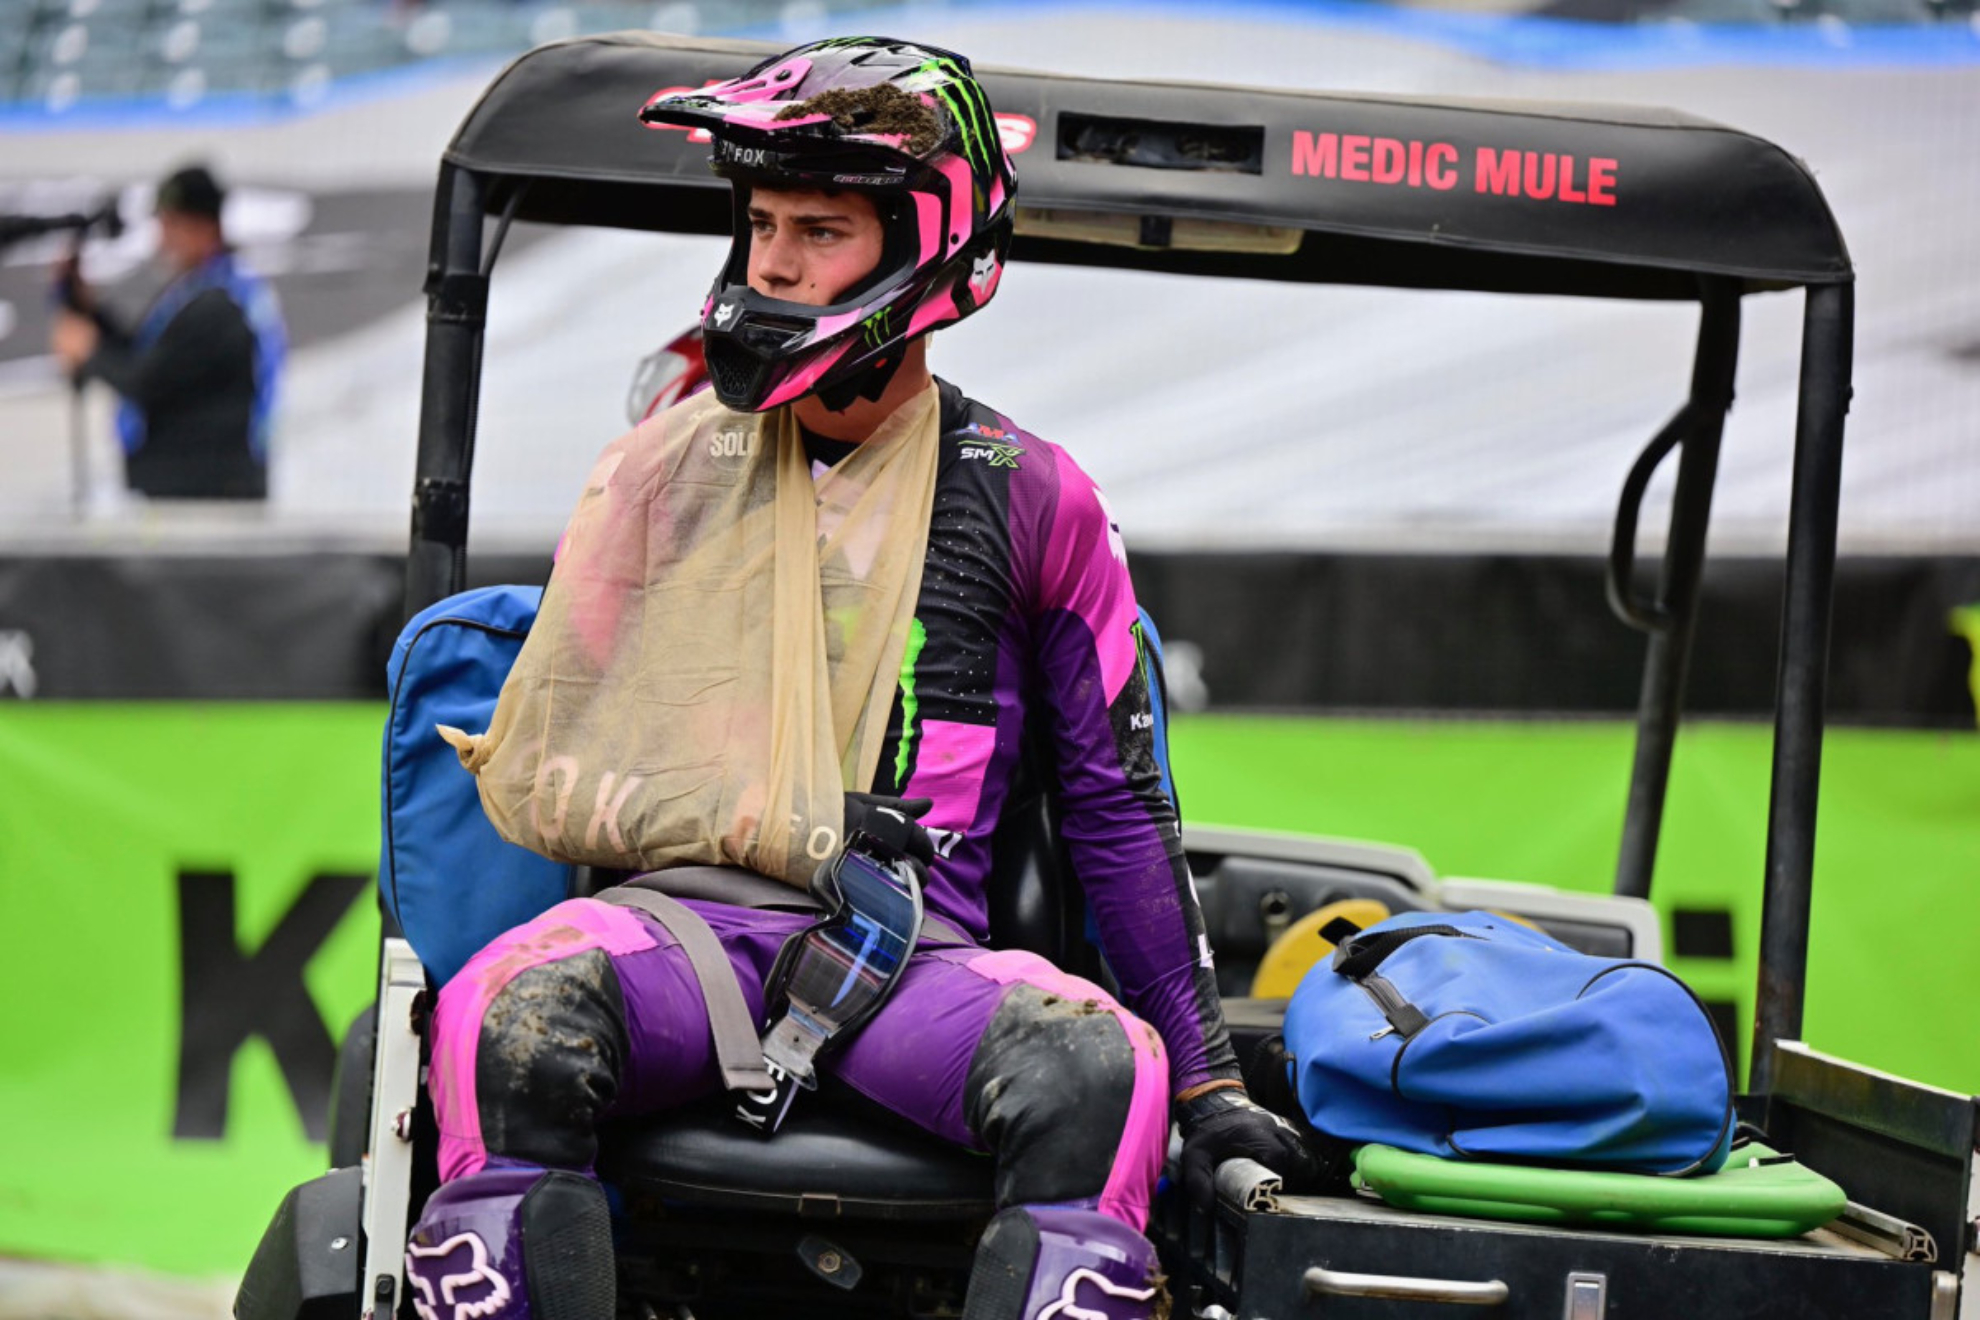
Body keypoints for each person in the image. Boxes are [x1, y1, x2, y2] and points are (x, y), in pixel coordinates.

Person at [403, 38, 1318, 1320]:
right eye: (760, 222)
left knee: (1103, 1067)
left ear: (924, 254)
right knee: (509, 1016)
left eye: (818, 229)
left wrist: (1214, 1088)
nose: (771, 262)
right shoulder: (654, 477)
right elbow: (565, 755)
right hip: (676, 936)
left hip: (919, 965)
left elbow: (1118, 809)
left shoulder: (1040, 497)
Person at [49, 164, 286, 501]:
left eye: (170, 225)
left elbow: (146, 381)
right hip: (190, 489)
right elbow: (148, 354)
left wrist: (88, 350)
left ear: (202, 227)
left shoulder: (219, 305)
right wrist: (91, 312)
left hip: (209, 496)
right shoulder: (201, 290)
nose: (162, 240)